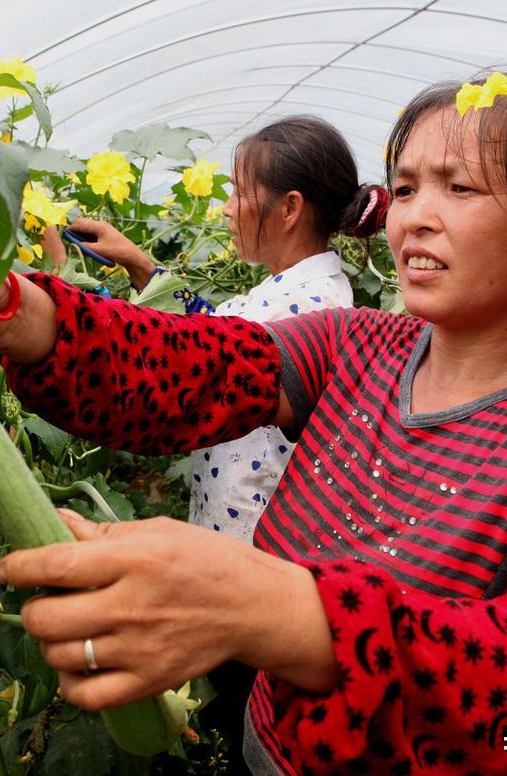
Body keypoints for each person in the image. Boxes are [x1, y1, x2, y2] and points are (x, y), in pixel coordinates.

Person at [0, 77, 507, 774]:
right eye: (404, 189)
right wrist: (16, 312)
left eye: (460, 187)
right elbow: (181, 368)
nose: (416, 219)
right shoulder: (357, 341)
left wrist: (276, 609)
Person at [56, 115, 386, 544]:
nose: (228, 207)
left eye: (241, 192)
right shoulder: (294, 290)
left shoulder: (309, 306)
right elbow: (213, 331)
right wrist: (140, 265)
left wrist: (65, 291)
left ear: (289, 208)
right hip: (235, 524)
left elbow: (191, 356)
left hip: (254, 541)